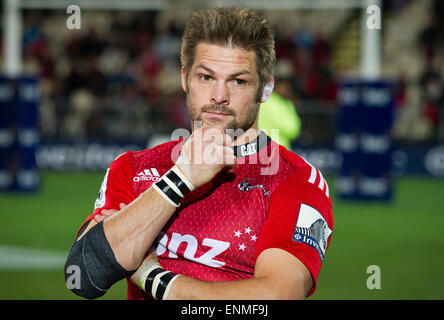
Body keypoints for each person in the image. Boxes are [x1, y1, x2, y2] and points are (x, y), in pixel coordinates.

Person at [64, 7, 333, 300]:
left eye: (238, 81)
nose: (219, 96)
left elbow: (277, 297)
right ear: (184, 78)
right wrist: (180, 179)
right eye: (206, 77)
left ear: (265, 89)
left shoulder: (296, 180)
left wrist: (155, 279)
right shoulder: (133, 167)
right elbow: (83, 277)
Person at [258, 59, 301, 150]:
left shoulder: (261, 100)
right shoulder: (283, 104)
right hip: (279, 155)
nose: (287, 87)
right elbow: (293, 130)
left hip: (260, 152)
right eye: (284, 83)